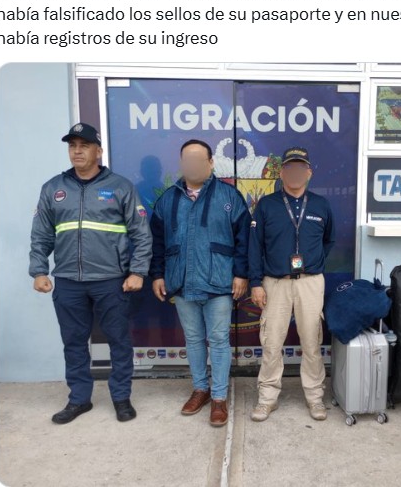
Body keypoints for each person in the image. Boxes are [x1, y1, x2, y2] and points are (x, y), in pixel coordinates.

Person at [29, 123, 153, 424]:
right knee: (73, 343)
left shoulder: (121, 187)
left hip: (111, 281)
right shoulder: (53, 188)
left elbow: (141, 234)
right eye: (72, 146)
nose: (77, 151)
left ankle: (121, 398)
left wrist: (138, 272)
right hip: (68, 281)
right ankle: (79, 399)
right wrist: (39, 270)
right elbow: (41, 234)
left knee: (118, 341)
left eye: (84, 146)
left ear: (98, 151)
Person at [149, 139, 250, 427]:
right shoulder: (168, 200)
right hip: (181, 281)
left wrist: (241, 274)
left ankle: (218, 397)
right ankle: (200, 389)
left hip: (219, 282)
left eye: (198, 159)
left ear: (210, 163)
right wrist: (157, 274)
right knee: (193, 339)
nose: (192, 165)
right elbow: (157, 243)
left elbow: (245, 240)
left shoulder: (229, 196)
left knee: (218, 340)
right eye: (187, 160)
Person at [249, 147, 335, 422]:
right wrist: (256, 283)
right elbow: (254, 246)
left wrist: (314, 262)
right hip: (275, 283)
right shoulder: (266, 205)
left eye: (300, 168)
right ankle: (267, 399)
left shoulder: (321, 205)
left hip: (310, 283)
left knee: (311, 342)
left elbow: (328, 240)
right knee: (272, 343)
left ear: (308, 173)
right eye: (290, 168)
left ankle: (315, 398)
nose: (295, 173)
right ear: (282, 173)